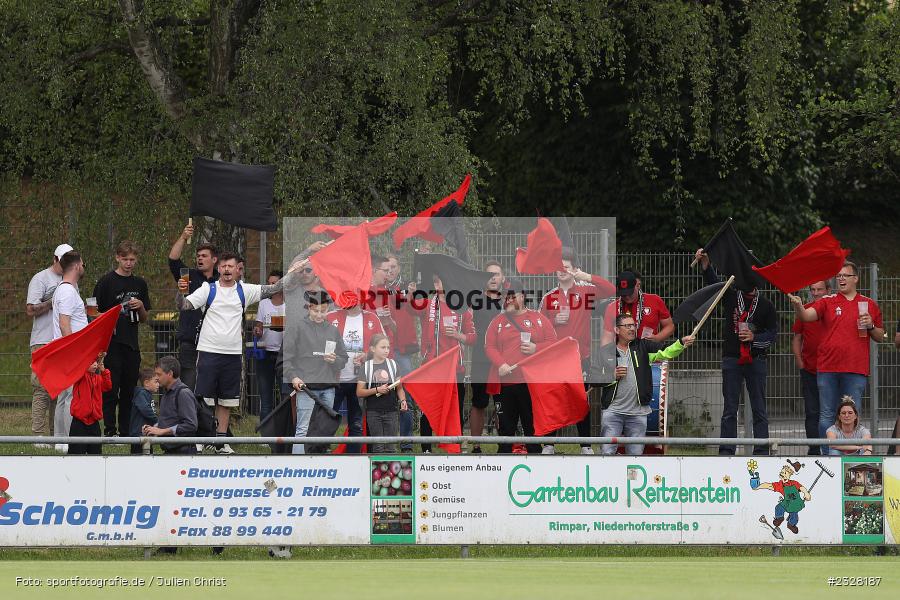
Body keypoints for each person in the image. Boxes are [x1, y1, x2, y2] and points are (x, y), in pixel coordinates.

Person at [177, 251, 294, 454]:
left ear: (237, 269)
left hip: (232, 354)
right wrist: (180, 291)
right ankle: (202, 437)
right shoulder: (208, 288)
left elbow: (276, 288)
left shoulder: (245, 290)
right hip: (208, 350)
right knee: (203, 397)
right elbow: (184, 305)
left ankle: (221, 442)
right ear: (218, 268)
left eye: (231, 266)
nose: (227, 270)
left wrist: (296, 267)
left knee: (227, 400)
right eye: (223, 266)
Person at [788, 260, 885, 437]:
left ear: (855, 278)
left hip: (855, 368)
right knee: (826, 414)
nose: (840, 279)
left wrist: (870, 325)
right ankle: (829, 455)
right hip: (827, 368)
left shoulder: (868, 303)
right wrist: (798, 306)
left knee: (851, 414)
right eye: (838, 276)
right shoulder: (827, 301)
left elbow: (880, 336)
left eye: (845, 275)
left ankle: (850, 452)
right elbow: (806, 316)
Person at [696, 248, 777, 456]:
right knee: (730, 408)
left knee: (759, 408)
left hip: (756, 360)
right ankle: (727, 450)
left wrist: (755, 339)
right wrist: (706, 264)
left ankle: (761, 450)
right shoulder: (731, 296)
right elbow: (714, 286)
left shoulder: (767, 306)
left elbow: (772, 334)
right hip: (732, 358)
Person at [540, 249, 616, 454]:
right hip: (555, 359)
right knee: (554, 400)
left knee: (581, 399)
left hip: (580, 357)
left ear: (574, 269)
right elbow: (539, 328)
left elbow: (610, 290)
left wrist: (586, 277)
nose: (562, 270)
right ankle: (549, 444)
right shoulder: (549, 297)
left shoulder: (585, 292)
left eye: (566, 267)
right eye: (559, 267)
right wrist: (554, 321)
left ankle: (585, 445)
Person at [592, 314, 695, 455]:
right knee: (607, 452)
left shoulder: (643, 346)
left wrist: (681, 343)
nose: (632, 329)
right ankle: (608, 477)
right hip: (613, 412)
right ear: (617, 330)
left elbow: (666, 351)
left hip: (638, 413)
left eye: (633, 325)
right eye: (627, 326)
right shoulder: (605, 352)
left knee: (635, 456)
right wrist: (612, 375)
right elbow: (593, 379)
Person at [485, 278, 558, 454]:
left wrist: (536, 348)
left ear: (523, 296)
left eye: (512, 296)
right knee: (505, 432)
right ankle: (501, 471)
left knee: (532, 430)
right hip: (505, 385)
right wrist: (500, 363)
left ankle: (536, 472)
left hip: (531, 385)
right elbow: (489, 346)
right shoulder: (498, 321)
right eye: (505, 297)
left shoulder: (538, 318)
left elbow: (554, 344)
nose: (508, 300)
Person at [93, 240, 151, 437]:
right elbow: (93, 314)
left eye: (132, 259)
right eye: (125, 259)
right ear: (117, 258)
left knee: (128, 390)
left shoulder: (140, 283)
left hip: (131, 344)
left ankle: (126, 431)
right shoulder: (106, 282)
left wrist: (141, 306)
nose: (129, 263)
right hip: (111, 345)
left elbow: (144, 319)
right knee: (110, 389)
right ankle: (110, 430)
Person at [283, 290, 348, 454]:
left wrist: (335, 361)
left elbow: (343, 358)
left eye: (323, 311)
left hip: (328, 387)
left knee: (324, 429)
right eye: (316, 310)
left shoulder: (332, 330)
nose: (320, 315)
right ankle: (298, 467)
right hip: (306, 387)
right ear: (309, 308)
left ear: (328, 310)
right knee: (303, 428)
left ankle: (320, 464)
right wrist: (294, 377)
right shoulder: (296, 327)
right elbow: (285, 358)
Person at [417, 275, 475, 453]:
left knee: (455, 409)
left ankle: (454, 446)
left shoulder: (462, 306)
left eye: (440, 281)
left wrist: (457, 336)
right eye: (434, 281)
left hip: (454, 368)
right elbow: (410, 307)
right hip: (432, 366)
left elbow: (472, 337)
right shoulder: (427, 303)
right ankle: (426, 448)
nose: (437, 284)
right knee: (428, 407)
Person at [26, 243, 71, 446]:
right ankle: (38, 435)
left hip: (61, 340)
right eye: (63, 262)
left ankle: (56, 435)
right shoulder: (40, 278)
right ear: (55, 259)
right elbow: (30, 309)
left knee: (59, 389)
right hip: (42, 340)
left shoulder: (70, 280)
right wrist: (52, 302)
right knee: (42, 388)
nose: (66, 266)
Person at [327, 298, 385, 453]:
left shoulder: (372, 318)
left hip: (359, 380)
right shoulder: (331, 316)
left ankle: (354, 461)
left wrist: (368, 355)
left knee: (356, 423)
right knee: (327, 421)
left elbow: (384, 347)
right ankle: (321, 458)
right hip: (334, 379)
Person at [168, 224, 219, 390]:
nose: (200, 259)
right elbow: (173, 260)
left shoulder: (221, 281)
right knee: (188, 386)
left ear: (214, 260)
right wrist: (183, 237)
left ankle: (207, 417)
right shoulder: (187, 275)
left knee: (209, 388)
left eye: (204, 256)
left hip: (214, 342)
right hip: (189, 341)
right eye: (198, 256)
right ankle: (188, 416)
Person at [51, 250, 88, 453]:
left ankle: (60, 440)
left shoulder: (67, 289)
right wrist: (74, 352)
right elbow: (65, 324)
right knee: (72, 397)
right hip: (70, 352)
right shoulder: (66, 291)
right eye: (82, 264)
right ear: (76, 266)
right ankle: (66, 441)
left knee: (65, 397)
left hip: (68, 351)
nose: (83, 267)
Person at [791, 280, 832, 455]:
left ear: (828, 290)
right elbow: (796, 338)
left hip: (832, 371)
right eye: (812, 290)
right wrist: (800, 362)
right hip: (809, 370)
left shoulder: (834, 310)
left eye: (819, 290)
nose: (815, 293)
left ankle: (833, 449)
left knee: (831, 411)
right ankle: (814, 450)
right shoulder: (804, 309)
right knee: (812, 411)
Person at [383, 253, 419, 452]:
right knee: (381, 397)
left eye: (393, 267)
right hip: (380, 352)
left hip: (401, 350)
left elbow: (419, 311)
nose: (390, 271)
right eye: (386, 268)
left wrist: (413, 295)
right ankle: (383, 443)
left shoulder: (408, 286)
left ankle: (406, 443)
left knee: (406, 396)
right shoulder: (376, 289)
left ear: (399, 268)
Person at [469, 260, 506, 453]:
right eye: (488, 274)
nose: (492, 277)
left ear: (503, 278)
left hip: (503, 362)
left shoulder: (508, 302)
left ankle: (504, 446)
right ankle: (475, 445)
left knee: (502, 404)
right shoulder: (474, 300)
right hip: (481, 359)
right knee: (479, 402)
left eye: (496, 274)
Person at [357, 334, 408, 454]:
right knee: (378, 446)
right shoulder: (366, 367)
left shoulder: (393, 365)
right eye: (383, 347)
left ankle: (391, 472)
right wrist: (377, 390)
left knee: (391, 447)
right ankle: (378, 471)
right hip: (373, 411)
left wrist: (403, 401)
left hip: (391, 410)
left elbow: (399, 388)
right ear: (373, 349)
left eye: (388, 347)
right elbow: (359, 392)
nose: (386, 350)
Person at [600, 270, 674, 345]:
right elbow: (607, 336)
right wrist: (605, 354)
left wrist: (657, 338)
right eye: (624, 294)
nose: (627, 297)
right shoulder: (612, 307)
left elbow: (669, 326)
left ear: (637, 286)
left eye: (630, 293)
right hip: (623, 353)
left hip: (650, 352)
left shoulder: (655, 300)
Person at [143, 356, 198, 454]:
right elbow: (169, 420)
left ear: (170, 374)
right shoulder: (167, 393)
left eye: (159, 374)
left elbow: (191, 425)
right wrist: (153, 429)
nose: (156, 378)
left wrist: (162, 431)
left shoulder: (183, 393)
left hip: (184, 453)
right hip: (171, 451)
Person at [254, 270, 285, 423]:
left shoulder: (290, 304)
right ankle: (265, 433)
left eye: (275, 283)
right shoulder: (264, 303)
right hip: (265, 354)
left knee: (286, 395)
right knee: (265, 397)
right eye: (269, 283)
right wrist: (258, 330)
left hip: (284, 356)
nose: (271, 286)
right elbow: (259, 327)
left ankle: (286, 430)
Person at [68, 352, 112, 456]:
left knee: (95, 453)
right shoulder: (80, 376)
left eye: (96, 362)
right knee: (76, 453)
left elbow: (107, 386)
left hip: (94, 421)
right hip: (79, 422)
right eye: (92, 362)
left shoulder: (98, 378)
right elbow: (78, 368)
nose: (95, 365)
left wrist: (103, 370)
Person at [129, 367, 159, 455]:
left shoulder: (147, 394)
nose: (158, 384)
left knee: (149, 455)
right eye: (155, 381)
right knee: (138, 458)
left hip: (146, 433)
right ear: (146, 383)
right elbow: (145, 409)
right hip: (138, 434)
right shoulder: (141, 393)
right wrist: (157, 420)